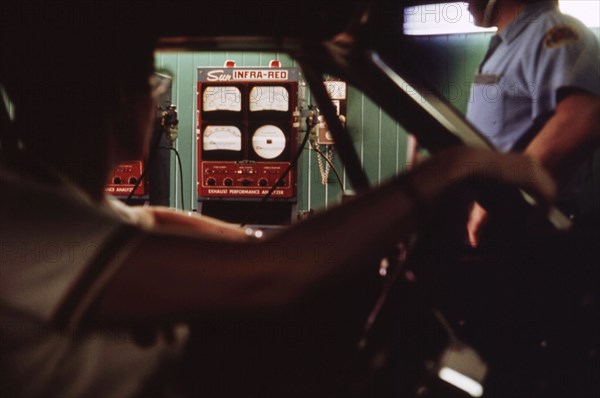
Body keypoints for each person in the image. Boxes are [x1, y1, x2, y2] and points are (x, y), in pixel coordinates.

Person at [0, 1, 556, 396]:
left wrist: (336, 245)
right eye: (150, 83)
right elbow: (267, 272)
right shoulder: (22, 223)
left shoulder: (83, 207)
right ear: (118, 96)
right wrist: (451, 168)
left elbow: (241, 245)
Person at [465, 0, 600, 246]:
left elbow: (581, 117)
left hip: (529, 232)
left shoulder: (552, 29)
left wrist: (498, 199)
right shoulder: (507, 45)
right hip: (499, 227)